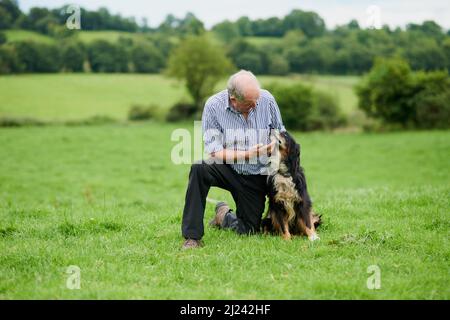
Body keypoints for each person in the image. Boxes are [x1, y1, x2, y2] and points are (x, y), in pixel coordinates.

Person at [181, 70, 285, 249]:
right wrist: (247, 154)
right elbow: (214, 150)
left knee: (249, 230)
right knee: (199, 168)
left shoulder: (266, 100)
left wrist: (274, 145)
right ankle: (192, 237)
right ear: (234, 100)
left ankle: (224, 216)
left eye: (256, 100)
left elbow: (281, 132)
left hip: (257, 174)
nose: (255, 105)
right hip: (228, 168)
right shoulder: (213, 106)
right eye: (250, 103)